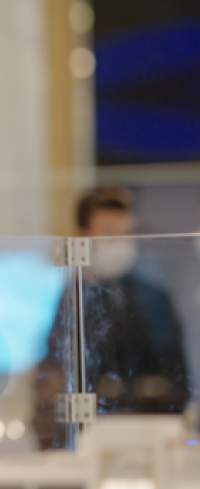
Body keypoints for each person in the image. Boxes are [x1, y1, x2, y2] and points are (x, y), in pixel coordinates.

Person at [34, 187, 191, 450]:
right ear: (82, 237)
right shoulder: (69, 301)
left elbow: (176, 383)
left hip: (147, 441)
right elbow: (53, 383)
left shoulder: (154, 300)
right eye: (109, 233)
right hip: (83, 445)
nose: (121, 242)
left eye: (127, 233)